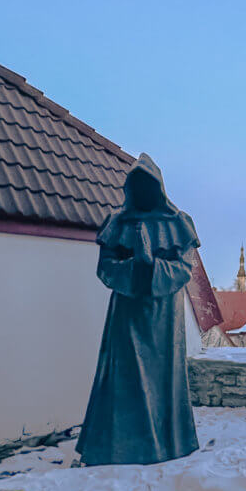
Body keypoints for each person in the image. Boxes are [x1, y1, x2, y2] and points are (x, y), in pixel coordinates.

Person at [75, 153, 200, 465]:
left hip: (164, 318)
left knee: (164, 380)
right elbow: (106, 268)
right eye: (137, 185)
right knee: (124, 376)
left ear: (159, 188)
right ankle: (119, 445)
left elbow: (184, 268)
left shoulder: (178, 223)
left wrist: (152, 264)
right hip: (127, 315)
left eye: (149, 185)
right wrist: (135, 266)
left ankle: (167, 442)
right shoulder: (118, 223)